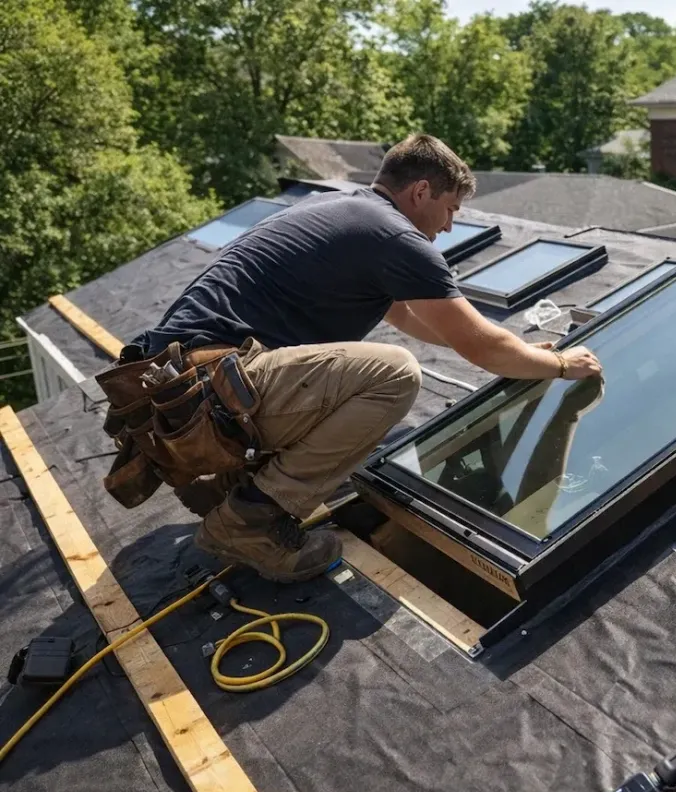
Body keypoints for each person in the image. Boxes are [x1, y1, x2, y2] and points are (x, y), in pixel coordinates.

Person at [106, 133, 602, 584]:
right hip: (207, 398)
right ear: (421, 192)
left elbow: (413, 319)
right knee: (392, 373)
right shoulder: (395, 237)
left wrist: (516, 351)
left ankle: (235, 489)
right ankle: (249, 521)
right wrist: (560, 366)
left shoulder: (344, 212)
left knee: (368, 366)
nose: (450, 227)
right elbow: (480, 348)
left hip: (175, 394)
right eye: (450, 208)